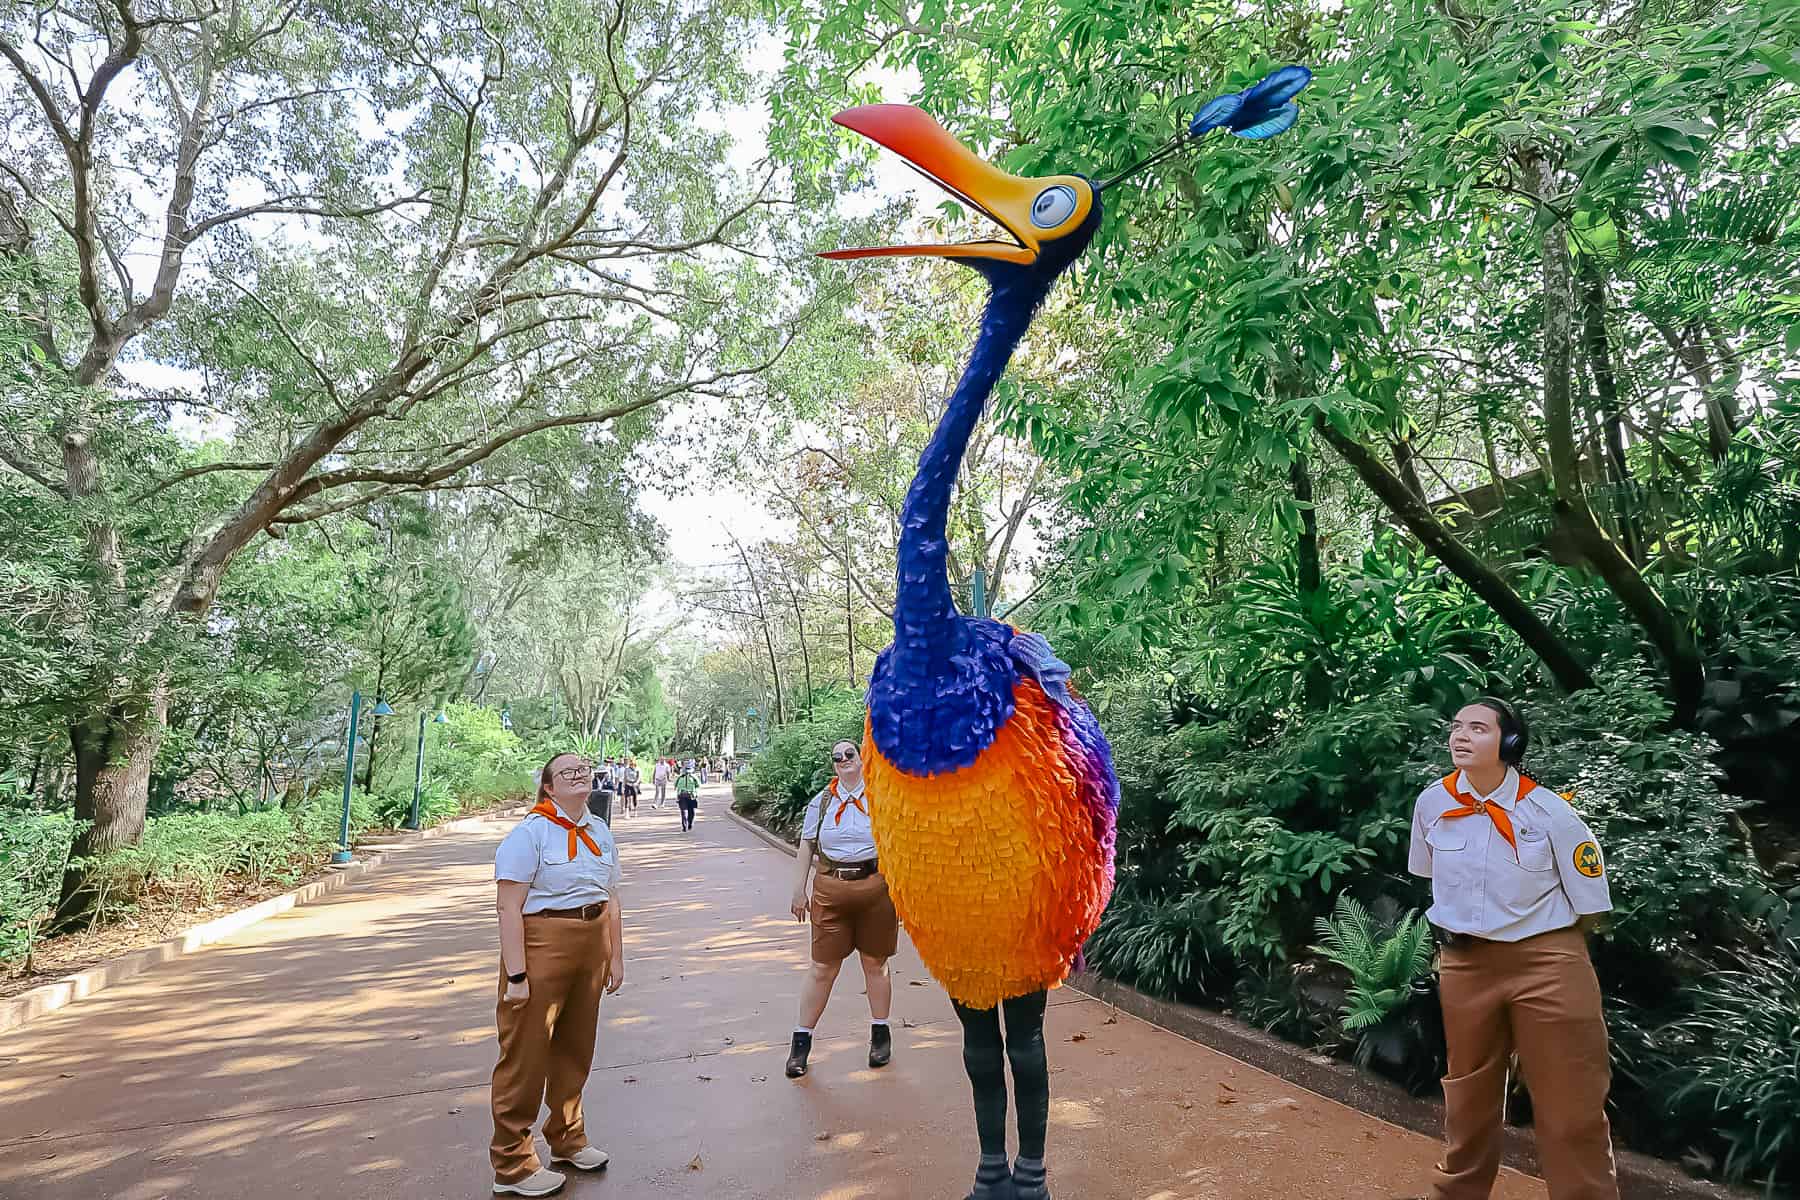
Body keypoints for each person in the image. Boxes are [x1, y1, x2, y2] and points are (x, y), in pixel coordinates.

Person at [1409, 698, 1618, 1200]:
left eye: (1477, 728)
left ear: (1509, 743)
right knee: (1468, 1093)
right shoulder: (1432, 803)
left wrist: (1544, 947)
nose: (1460, 736)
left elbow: (1591, 906)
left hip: (1547, 961)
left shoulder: (1551, 813)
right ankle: (1456, 1193)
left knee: (1572, 1099)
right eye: (1456, 727)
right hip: (1464, 963)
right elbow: (1430, 876)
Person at [490, 753, 626, 1197]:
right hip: (543, 944)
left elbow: (612, 897)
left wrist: (615, 956)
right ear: (548, 787)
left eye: (584, 769)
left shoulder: (599, 831)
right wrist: (516, 976)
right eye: (568, 772)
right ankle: (512, 1164)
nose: (579, 775)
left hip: (591, 943)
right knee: (525, 1055)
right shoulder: (529, 834)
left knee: (575, 1047)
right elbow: (509, 906)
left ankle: (567, 1138)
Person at [784, 739, 898, 1079]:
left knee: (875, 963)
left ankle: (880, 1036)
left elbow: (898, 842)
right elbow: (807, 845)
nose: (844, 760)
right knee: (822, 967)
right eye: (837, 757)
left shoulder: (881, 797)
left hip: (875, 888)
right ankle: (801, 1042)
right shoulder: (821, 802)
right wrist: (798, 889)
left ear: (861, 759)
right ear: (833, 764)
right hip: (831, 890)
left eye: (849, 754)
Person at [675, 763, 701, 832]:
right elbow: (698, 785)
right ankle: (688, 824)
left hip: (684, 795)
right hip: (690, 795)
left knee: (685, 811)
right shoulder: (692, 777)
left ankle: (685, 825)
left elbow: (675, 786)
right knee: (690, 811)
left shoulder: (680, 777)